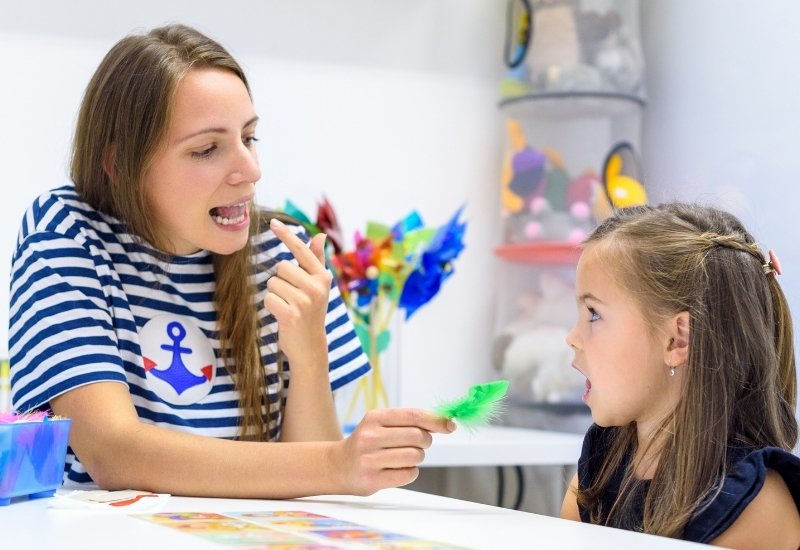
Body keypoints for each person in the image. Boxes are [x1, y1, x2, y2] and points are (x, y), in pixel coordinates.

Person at [8, 23, 454, 498]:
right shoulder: (65, 230)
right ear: (120, 166)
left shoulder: (282, 253)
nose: (251, 171)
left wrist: (309, 355)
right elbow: (115, 453)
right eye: (206, 149)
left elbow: (318, 492)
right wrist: (336, 462)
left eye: (249, 137)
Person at [559, 202, 800, 547]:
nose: (572, 337)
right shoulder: (600, 466)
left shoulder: (755, 504)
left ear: (677, 339)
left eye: (594, 314)